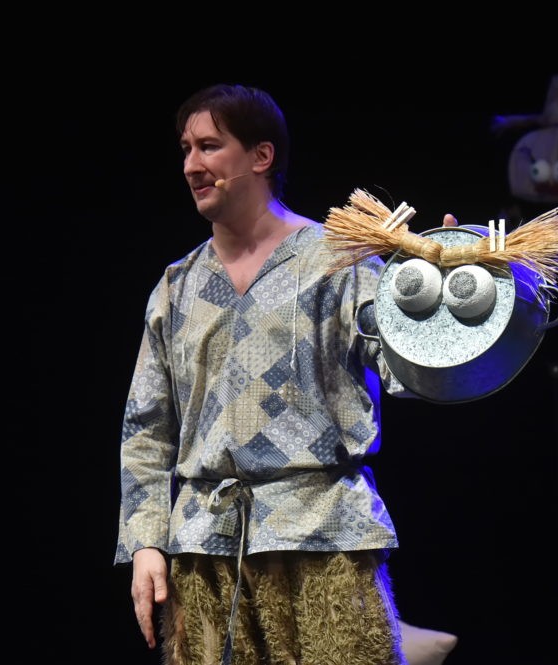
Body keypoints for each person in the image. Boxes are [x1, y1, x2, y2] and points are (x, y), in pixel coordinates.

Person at [115, 83, 457, 665]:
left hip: (325, 538)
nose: (191, 165)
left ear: (261, 155)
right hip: (206, 550)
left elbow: (412, 372)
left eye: (209, 147)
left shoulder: (339, 261)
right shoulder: (176, 286)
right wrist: (146, 541)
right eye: (186, 150)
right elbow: (146, 428)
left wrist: (445, 298)